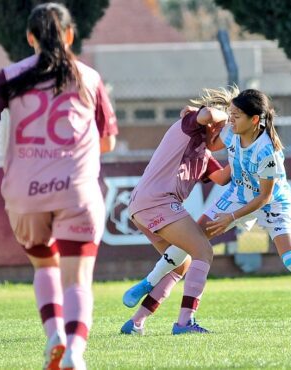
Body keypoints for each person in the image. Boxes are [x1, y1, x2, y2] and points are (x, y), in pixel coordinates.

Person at [124, 88, 291, 331]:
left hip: (272, 203)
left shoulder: (268, 152)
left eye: (235, 115)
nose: (229, 121)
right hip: (235, 197)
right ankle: (154, 294)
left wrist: (231, 217)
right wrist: (214, 124)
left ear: (254, 120)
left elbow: (263, 196)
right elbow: (213, 144)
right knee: (194, 245)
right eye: (228, 115)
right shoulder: (226, 131)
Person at [0, 3, 118, 369]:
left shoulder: (8, 77)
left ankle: (54, 336)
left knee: (44, 266)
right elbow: (108, 141)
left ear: (30, 37)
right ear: (69, 35)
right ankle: (75, 353)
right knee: (77, 278)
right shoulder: (89, 78)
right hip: (75, 190)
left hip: (23, 192)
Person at [120, 89, 233, 336]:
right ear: (217, 123)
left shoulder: (204, 152)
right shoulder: (192, 124)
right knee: (203, 251)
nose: (225, 137)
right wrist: (227, 117)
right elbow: (207, 113)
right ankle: (184, 323)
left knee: (180, 266)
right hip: (158, 202)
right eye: (225, 130)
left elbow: (223, 177)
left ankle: (136, 322)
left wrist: (242, 152)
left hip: (143, 206)